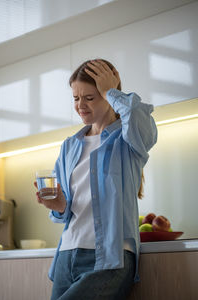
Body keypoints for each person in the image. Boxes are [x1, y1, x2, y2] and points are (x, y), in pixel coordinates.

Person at [34, 59, 157, 300]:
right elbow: (67, 210)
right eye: (76, 98)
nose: (80, 105)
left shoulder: (128, 139)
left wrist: (112, 90)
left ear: (108, 95)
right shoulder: (69, 146)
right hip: (67, 256)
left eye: (89, 97)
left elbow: (142, 123)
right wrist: (58, 205)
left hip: (110, 258)